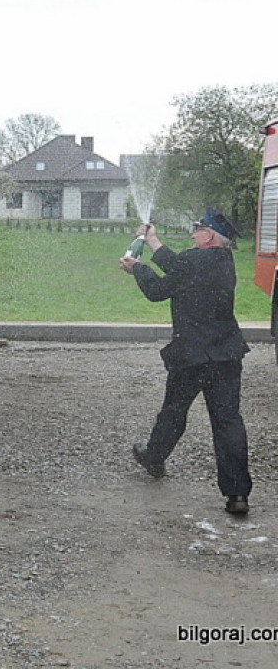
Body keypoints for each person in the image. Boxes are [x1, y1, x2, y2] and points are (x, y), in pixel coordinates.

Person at [120, 209, 252, 515]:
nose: (193, 234)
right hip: (225, 354)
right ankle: (237, 495)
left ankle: (154, 457)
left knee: (174, 411)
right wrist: (152, 241)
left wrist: (137, 268)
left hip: (191, 357)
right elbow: (178, 266)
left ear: (207, 236)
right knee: (228, 422)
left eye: (197, 229)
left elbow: (157, 290)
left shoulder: (193, 261)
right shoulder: (222, 262)